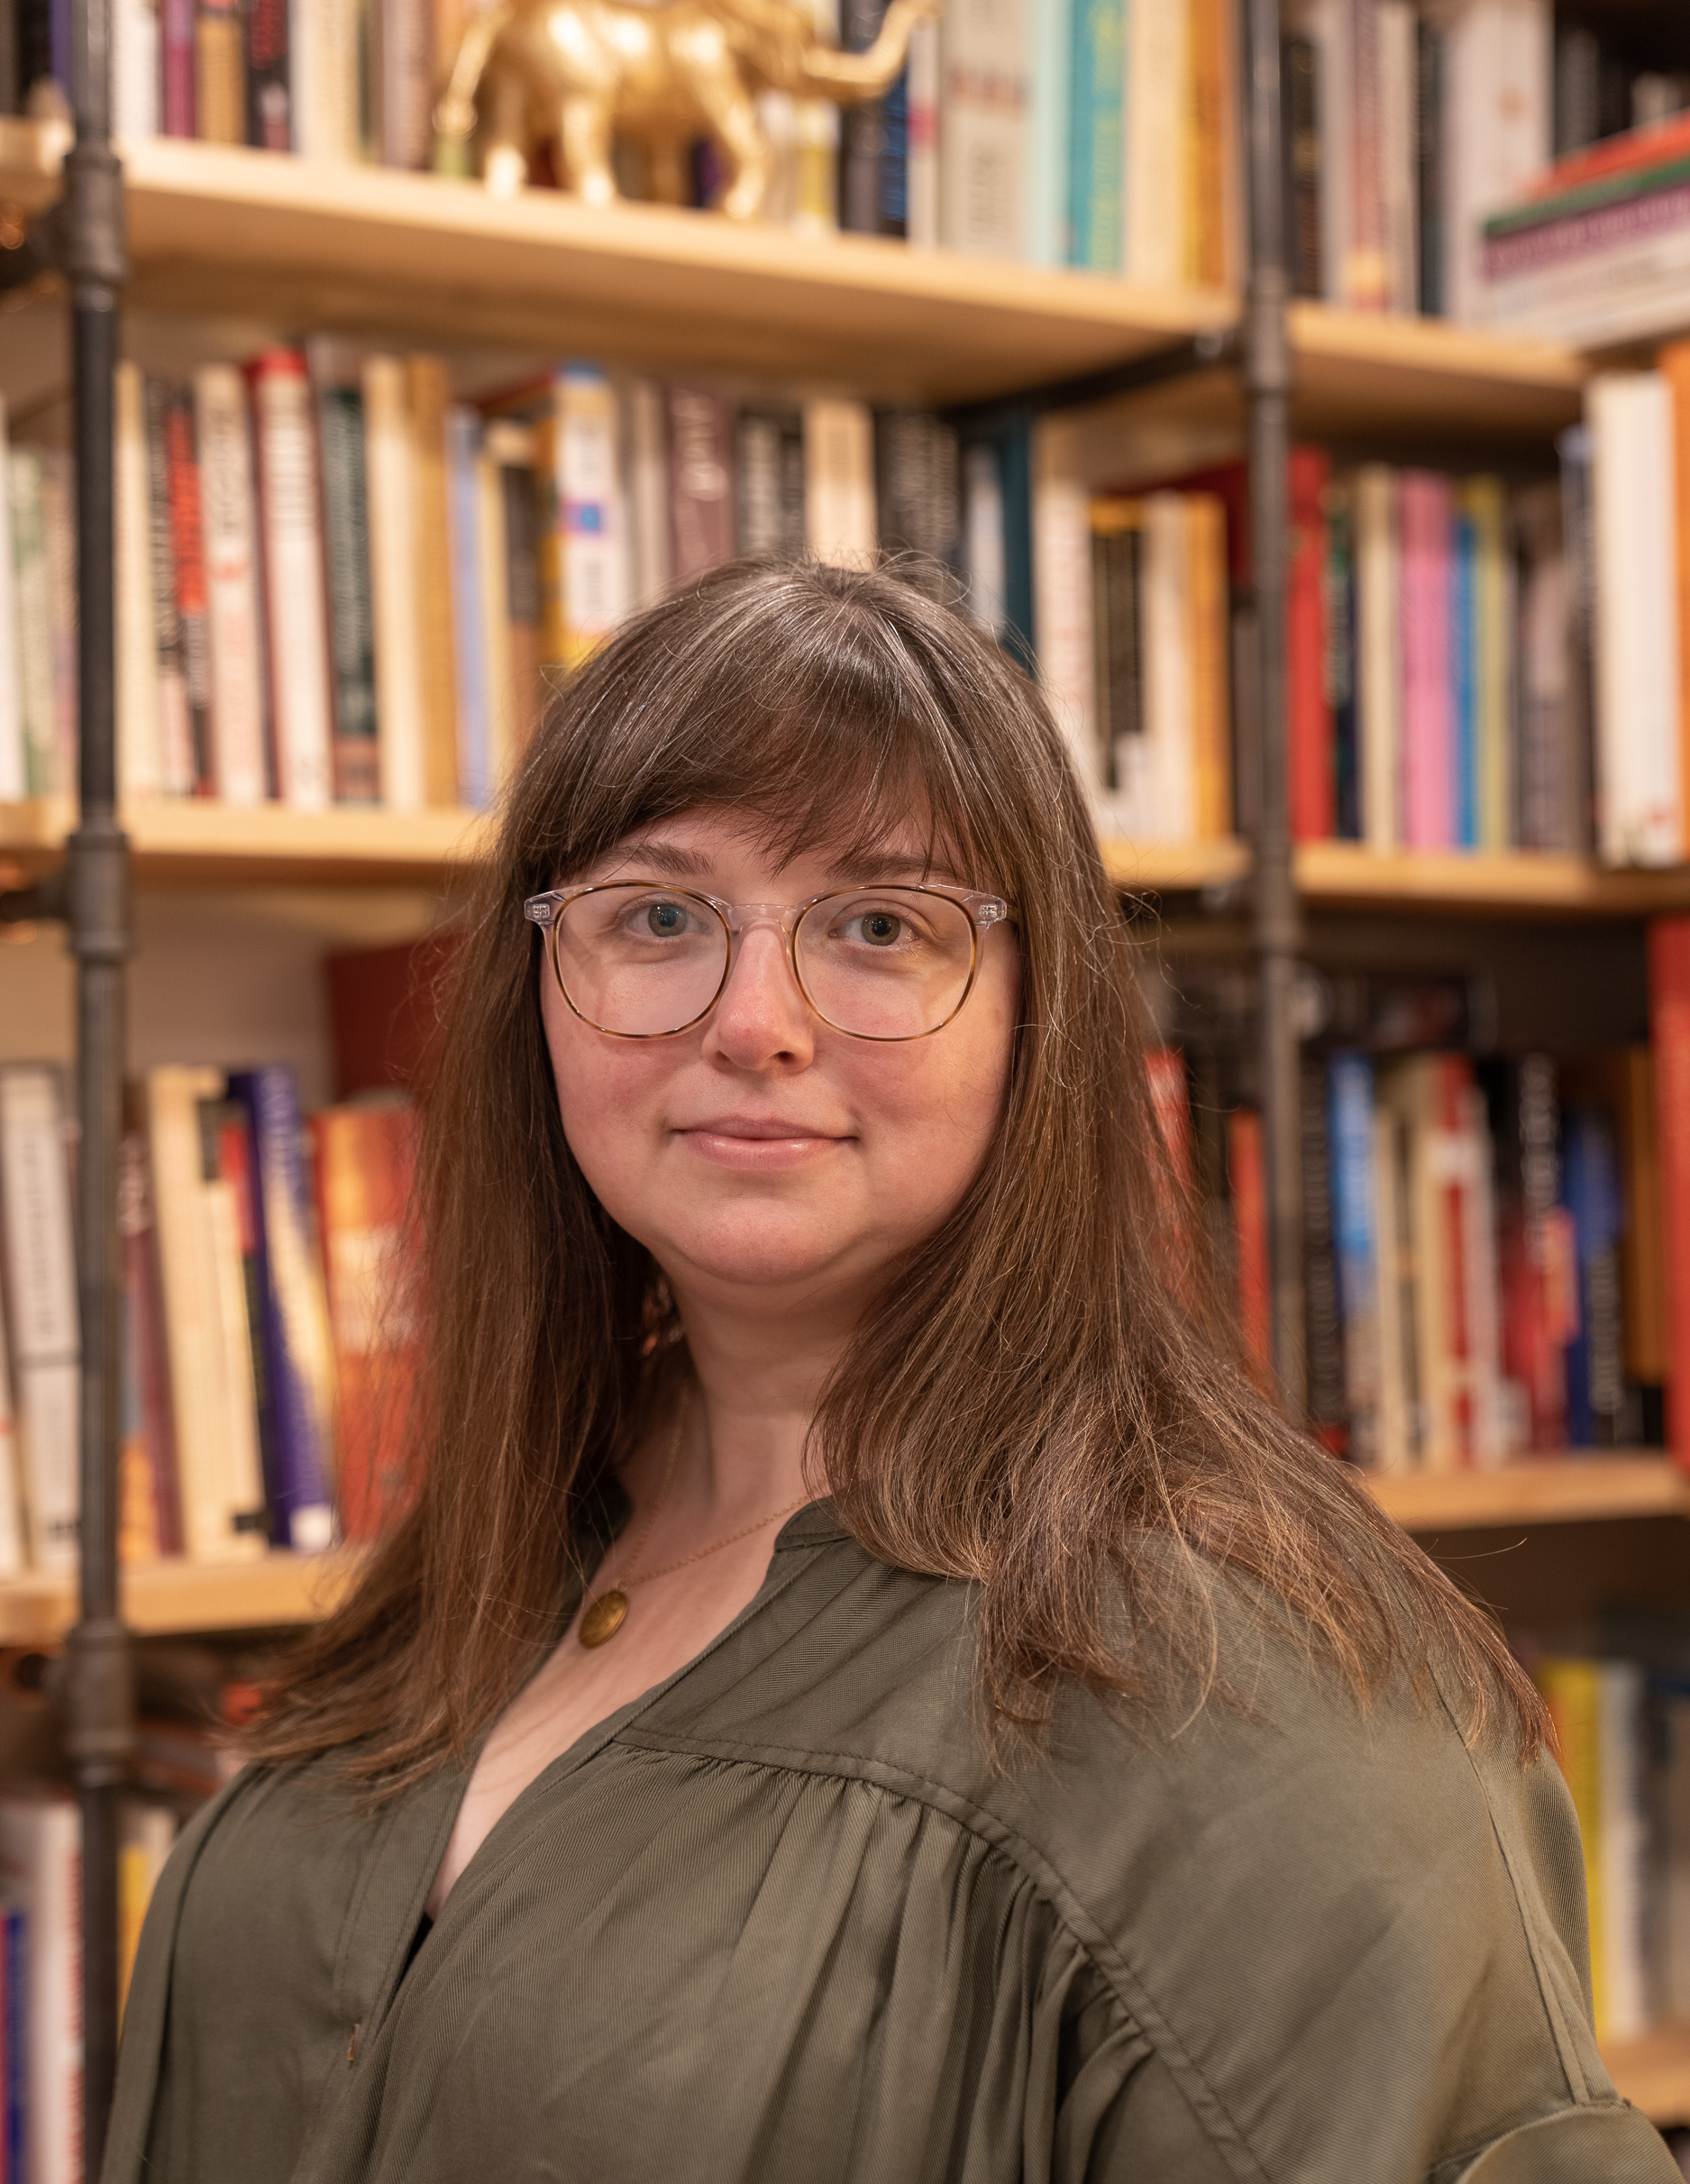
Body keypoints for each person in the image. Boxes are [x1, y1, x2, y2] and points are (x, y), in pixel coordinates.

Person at [106, 562, 1673, 2183]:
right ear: (538, 997)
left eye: (879, 925)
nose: (757, 1021)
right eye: (658, 915)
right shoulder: (514, 1540)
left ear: (1036, 1020)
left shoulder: (1258, 1697)